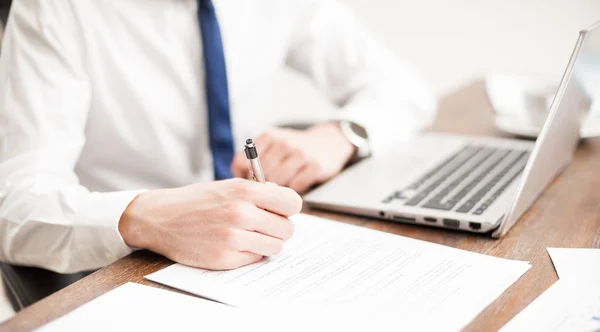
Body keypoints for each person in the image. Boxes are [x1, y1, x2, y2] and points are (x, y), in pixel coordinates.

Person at [0, 0, 435, 274]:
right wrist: (143, 217)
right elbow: (15, 204)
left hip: (261, 260)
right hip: (126, 265)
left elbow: (404, 88)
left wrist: (342, 134)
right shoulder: (53, 9)